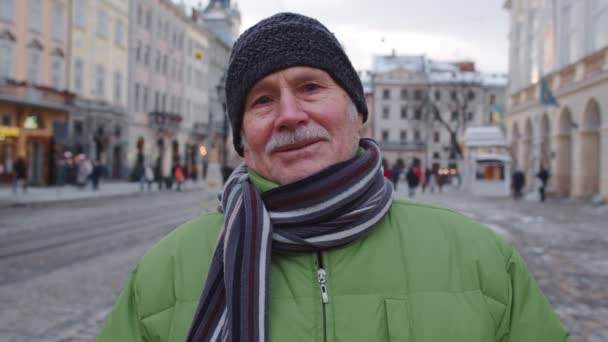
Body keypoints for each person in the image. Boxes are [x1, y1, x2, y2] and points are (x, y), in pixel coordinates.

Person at [98, 13, 569, 342]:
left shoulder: (480, 259)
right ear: (242, 136)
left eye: (310, 87)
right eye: (261, 100)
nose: (288, 114)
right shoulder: (165, 272)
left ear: (357, 111)